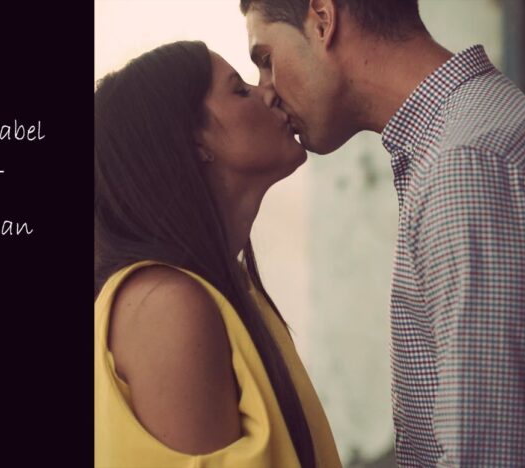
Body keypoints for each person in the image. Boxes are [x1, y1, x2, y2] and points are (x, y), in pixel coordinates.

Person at [239, 0, 525, 466]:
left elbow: (484, 457)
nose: (267, 91)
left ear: (322, 19)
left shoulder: (464, 166)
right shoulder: (457, 143)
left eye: (266, 60)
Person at [93, 40, 342, 468]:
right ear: (192, 144)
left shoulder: (229, 290)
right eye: (240, 90)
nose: (270, 92)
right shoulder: (166, 304)